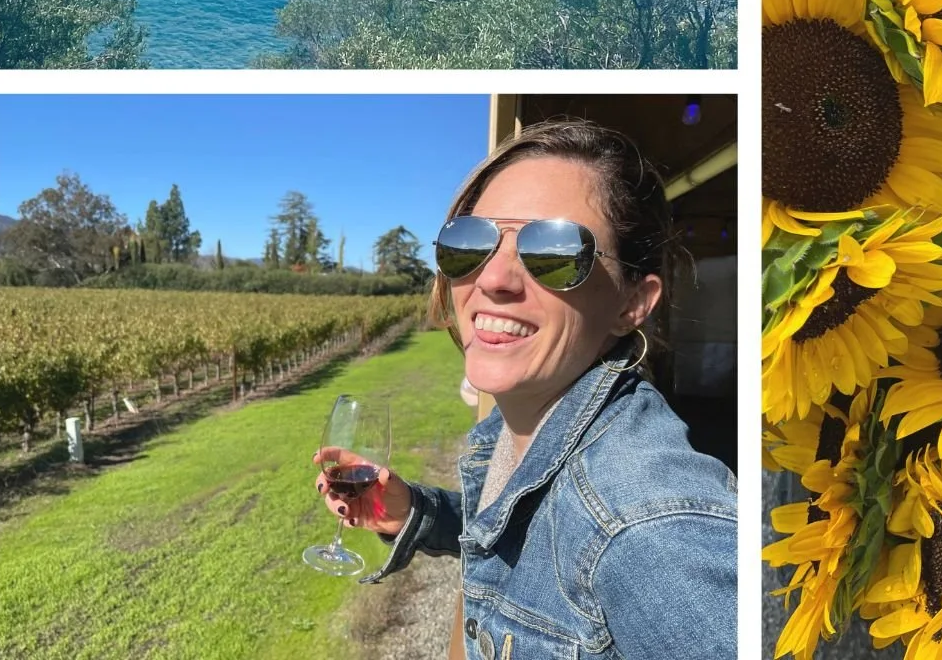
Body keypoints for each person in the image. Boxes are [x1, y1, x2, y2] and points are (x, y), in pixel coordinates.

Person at [313, 118, 737, 657]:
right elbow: (530, 527)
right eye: (470, 244)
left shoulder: (650, 523)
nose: (492, 279)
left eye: (554, 253)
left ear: (633, 304)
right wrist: (418, 512)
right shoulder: (525, 426)